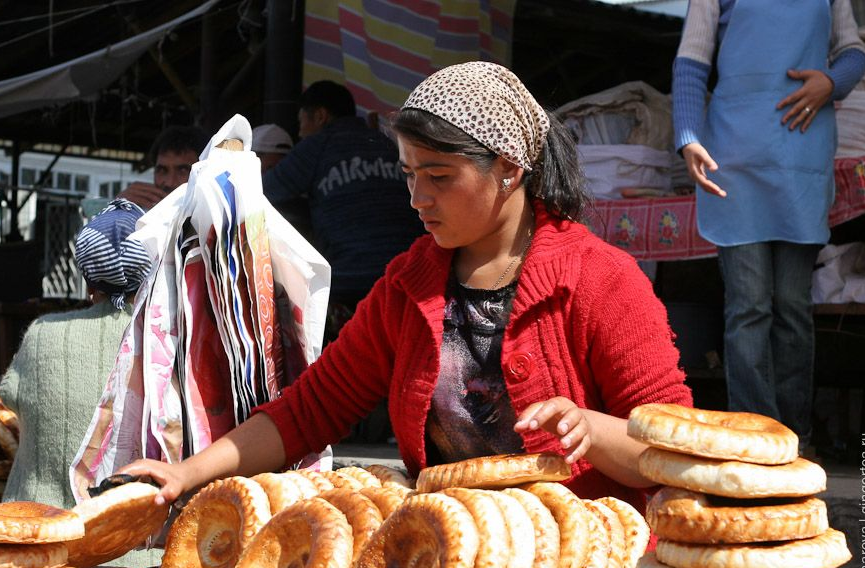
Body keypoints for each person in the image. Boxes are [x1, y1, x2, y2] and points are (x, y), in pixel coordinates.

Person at [121, 62, 692, 511]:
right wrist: (185, 472)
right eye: (410, 175)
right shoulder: (408, 287)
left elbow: (674, 453)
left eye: (439, 177)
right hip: (446, 562)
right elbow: (308, 411)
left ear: (510, 169)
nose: (418, 198)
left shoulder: (602, 280)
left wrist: (590, 428)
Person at [672, 0, 865, 451]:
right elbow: (691, 61)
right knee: (749, 307)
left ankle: (796, 437)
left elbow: (854, 54)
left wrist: (830, 83)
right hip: (734, 160)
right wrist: (688, 136)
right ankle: (756, 437)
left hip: (799, 158)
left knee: (793, 310)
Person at [0, 199, 156, 565]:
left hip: (35, 542)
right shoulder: (170, 342)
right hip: (135, 556)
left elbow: (9, 395)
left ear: (88, 280)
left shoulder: (42, 333)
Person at [261, 80, 424, 322]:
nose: (300, 133)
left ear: (320, 116)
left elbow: (266, 191)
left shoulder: (318, 144)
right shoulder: (385, 144)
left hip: (349, 281)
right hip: (409, 277)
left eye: (301, 122)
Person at [117, 125, 211, 210]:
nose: (169, 183)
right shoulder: (139, 214)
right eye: (162, 170)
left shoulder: (219, 221)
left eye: (183, 170)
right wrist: (117, 209)